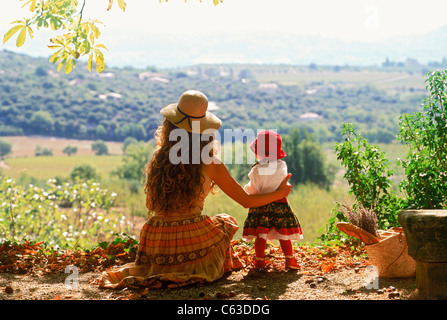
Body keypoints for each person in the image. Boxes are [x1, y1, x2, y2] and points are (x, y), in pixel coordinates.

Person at [99, 90, 292, 289]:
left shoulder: (158, 157)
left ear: (169, 126)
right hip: (190, 236)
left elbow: (150, 204)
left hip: (155, 237)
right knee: (226, 222)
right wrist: (280, 193)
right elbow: (247, 201)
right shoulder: (210, 163)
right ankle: (198, 266)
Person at [242, 130, 303, 269]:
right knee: (284, 234)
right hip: (280, 204)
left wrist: (245, 191)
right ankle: (290, 260)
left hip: (261, 204)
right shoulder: (282, 166)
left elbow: (253, 189)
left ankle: (259, 261)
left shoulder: (256, 170)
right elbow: (283, 183)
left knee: (261, 235)